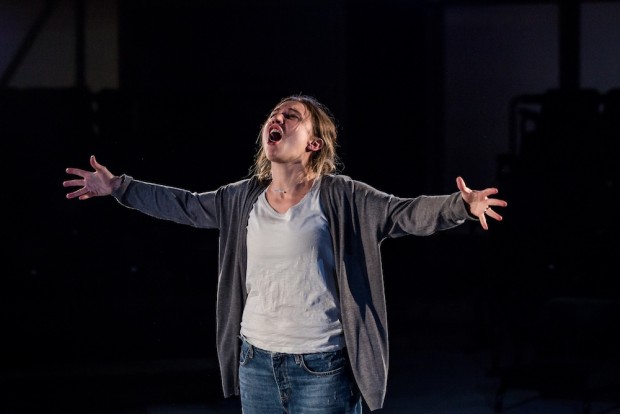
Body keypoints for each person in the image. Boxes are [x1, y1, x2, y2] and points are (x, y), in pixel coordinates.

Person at [63, 94, 507, 413]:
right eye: (274, 114)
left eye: (291, 116)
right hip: (256, 363)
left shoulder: (343, 196)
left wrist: (460, 207)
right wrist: (120, 187)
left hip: (323, 367)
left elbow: (404, 213)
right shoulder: (242, 198)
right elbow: (183, 204)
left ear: (314, 144)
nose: (277, 118)